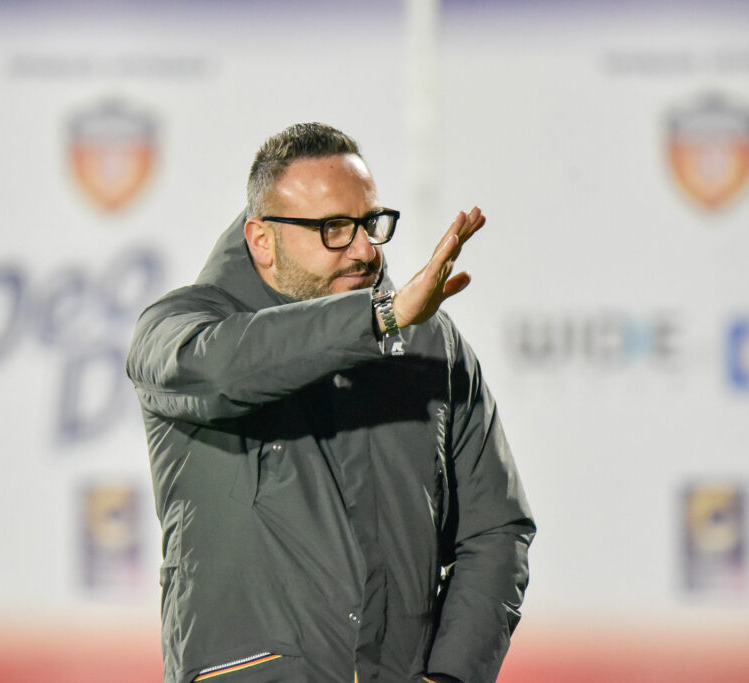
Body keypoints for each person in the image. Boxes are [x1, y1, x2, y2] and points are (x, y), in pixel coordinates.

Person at [127, 122, 535, 683]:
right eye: (334, 229)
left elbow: (495, 531)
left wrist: (449, 676)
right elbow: (220, 371)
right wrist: (379, 318)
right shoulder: (181, 327)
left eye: (371, 224)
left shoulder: (430, 343)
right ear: (262, 240)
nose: (365, 249)